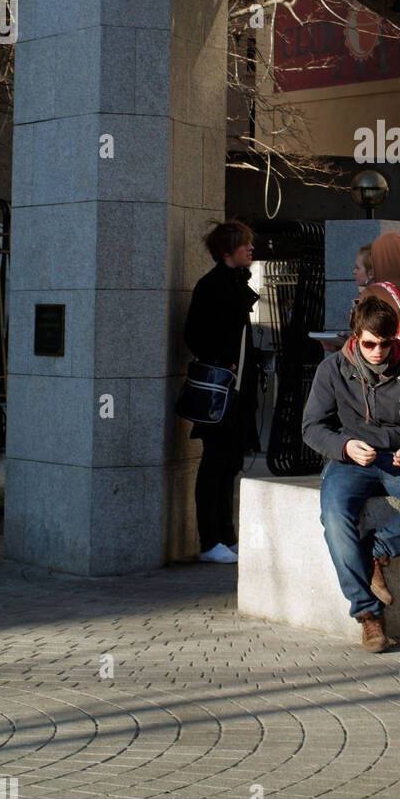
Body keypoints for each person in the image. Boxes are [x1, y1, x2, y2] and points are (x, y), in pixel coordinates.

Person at [301, 295, 400, 652]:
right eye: (370, 343)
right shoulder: (332, 370)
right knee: (335, 518)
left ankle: (378, 548)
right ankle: (369, 616)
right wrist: (344, 447)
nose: (377, 351)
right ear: (356, 336)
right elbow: (312, 427)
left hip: (397, 460)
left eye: (386, 344)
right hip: (348, 462)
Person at [183, 220, 260, 563]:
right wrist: (218, 363)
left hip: (237, 389)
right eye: (245, 245)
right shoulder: (212, 285)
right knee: (214, 462)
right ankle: (209, 539)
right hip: (219, 389)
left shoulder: (235, 283)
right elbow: (194, 334)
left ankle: (226, 536)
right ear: (228, 251)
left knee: (229, 462)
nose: (251, 249)